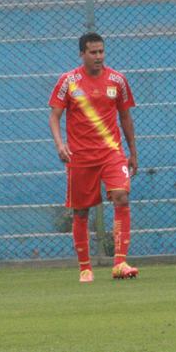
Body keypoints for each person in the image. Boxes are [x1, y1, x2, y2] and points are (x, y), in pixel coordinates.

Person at [48, 32, 139, 283]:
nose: (99, 56)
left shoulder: (118, 80)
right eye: (93, 52)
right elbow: (54, 116)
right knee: (80, 212)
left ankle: (119, 263)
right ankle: (85, 268)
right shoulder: (69, 81)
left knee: (121, 196)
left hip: (112, 153)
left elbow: (125, 118)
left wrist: (132, 152)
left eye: (101, 51)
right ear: (82, 54)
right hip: (80, 157)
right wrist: (60, 144)